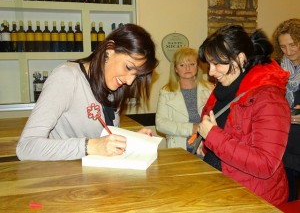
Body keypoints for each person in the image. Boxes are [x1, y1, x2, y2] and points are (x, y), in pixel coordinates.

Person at [16, 23, 159, 161]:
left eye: (136, 75)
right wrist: (90, 146)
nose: (129, 81)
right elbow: (26, 147)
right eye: (128, 67)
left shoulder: (113, 86)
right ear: (109, 49)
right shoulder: (67, 77)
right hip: (63, 179)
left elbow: (101, 140)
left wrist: (131, 140)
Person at [197, 25, 290, 206]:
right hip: (222, 191)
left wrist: (213, 136)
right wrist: (207, 145)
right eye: (209, 64)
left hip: (253, 199)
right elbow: (230, 135)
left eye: (217, 64)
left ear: (240, 58)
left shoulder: (268, 98)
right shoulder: (224, 90)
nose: (210, 72)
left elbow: (265, 164)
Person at [155, 47, 212, 152]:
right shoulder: (166, 92)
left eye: (192, 64)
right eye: (182, 65)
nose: (187, 68)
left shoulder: (210, 89)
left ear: (198, 66)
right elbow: (160, 124)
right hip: (179, 148)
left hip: (206, 148)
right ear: (176, 69)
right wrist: (192, 128)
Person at [272, 18, 300, 201]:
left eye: (293, 45)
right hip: (285, 143)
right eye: (283, 47)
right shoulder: (276, 68)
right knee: (287, 199)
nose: (288, 52)